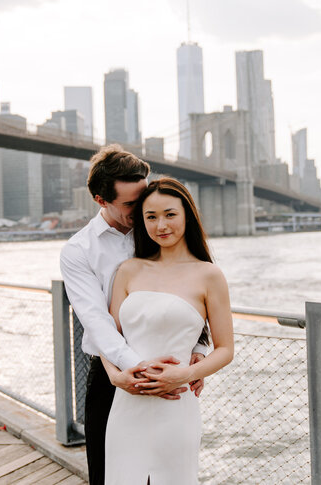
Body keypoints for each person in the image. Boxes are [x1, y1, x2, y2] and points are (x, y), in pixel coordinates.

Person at [60, 145, 209, 485]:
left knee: (172, 473)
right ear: (101, 201)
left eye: (142, 198)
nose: (143, 210)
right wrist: (130, 371)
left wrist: (197, 351)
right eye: (131, 204)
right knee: (109, 474)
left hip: (173, 371)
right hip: (113, 375)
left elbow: (192, 292)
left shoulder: (160, 229)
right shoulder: (79, 251)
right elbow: (96, 321)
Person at [102, 177, 234, 484]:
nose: (161, 225)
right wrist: (114, 376)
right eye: (151, 217)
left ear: (187, 214)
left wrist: (184, 375)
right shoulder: (128, 269)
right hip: (126, 403)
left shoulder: (209, 275)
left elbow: (225, 348)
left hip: (176, 403)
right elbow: (108, 337)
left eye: (170, 214)